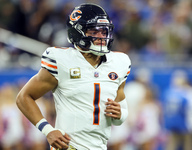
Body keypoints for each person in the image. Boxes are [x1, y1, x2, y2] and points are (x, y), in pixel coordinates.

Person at [16, 3, 131, 150]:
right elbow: (23, 97)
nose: (101, 37)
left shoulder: (120, 62)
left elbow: (120, 113)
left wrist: (120, 114)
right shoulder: (61, 60)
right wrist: (47, 130)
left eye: (103, 31)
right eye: (94, 32)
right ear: (77, 32)